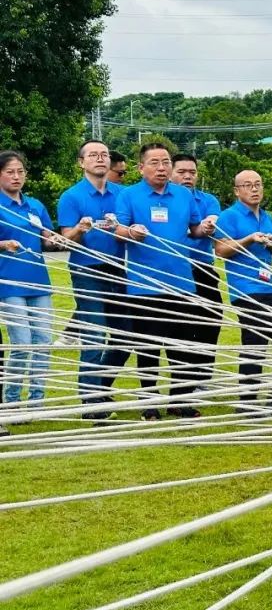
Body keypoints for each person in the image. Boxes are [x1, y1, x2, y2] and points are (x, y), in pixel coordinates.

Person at [114, 143, 215, 419]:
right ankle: (149, 402)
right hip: (144, 286)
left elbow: (194, 229)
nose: (162, 168)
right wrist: (131, 232)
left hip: (182, 282)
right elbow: (118, 230)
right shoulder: (128, 195)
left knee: (181, 346)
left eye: (166, 162)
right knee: (149, 347)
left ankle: (179, 400)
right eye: (155, 163)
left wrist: (205, 228)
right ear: (141, 168)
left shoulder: (183, 195)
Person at [215, 169, 272, 406]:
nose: (254, 189)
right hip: (245, 290)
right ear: (237, 191)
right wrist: (249, 239)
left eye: (258, 184)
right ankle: (248, 401)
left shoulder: (266, 216)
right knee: (256, 343)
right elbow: (221, 250)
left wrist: (271, 244)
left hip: (268, 288)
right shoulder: (229, 216)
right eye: (248, 185)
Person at [57, 140, 129, 418]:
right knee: (94, 335)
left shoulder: (121, 194)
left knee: (126, 335)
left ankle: (100, 387)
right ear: (81, 162)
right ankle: (90, 402)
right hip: (87, 270)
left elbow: (130, 228)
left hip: (118, 269)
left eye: (104, 155)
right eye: (93, 155)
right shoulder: (72, 197)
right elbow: (65, 239)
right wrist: (80, 229)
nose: (100, 159)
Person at [0, 151, 62, 408]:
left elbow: (47, 239)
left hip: (39, 282)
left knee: (43, 341)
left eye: (20, 172)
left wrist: (55, 240)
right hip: (9, 283)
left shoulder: (35, 205)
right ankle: (12, 400)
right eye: (10, 172)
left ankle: (37, 402)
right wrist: (3, 244)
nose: (16, 177)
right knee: (22, 343)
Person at [171, 154, 223, 392]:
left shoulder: (208, 200)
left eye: (192, 172)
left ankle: (202, 378)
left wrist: (208, 224)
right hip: (175, 270)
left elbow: (211, 219)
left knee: (211, 321)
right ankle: (183, 382)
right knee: (181, 326)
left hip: (203, 268)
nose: (187, 177)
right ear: (170, 173)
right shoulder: (165, 200)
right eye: (181, 172)